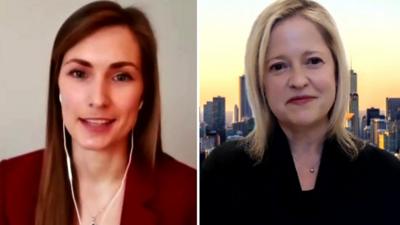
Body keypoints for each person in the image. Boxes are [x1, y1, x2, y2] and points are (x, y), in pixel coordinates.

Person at [200, 0, 400, 225]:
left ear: (336, 71)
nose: (298, 80)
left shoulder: (387, 175)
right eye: (278, 66)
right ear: (260, 81)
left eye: (313, 61)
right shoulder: (221, 173)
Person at [0, 1, 196, 225]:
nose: (98, 99)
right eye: (79, 73)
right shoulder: (7, 184)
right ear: (57, 85)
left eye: (121, 77)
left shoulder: (189, 195)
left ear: (144, 92)